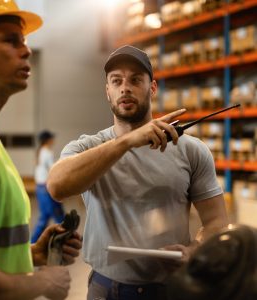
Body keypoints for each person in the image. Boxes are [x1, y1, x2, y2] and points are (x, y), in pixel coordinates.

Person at [47, 45, 229, 300]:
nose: (125, 87)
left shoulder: (191, 151)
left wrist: (194, 250)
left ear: (152, 88)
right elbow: (57, 187)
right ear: (107, 91)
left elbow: (217, 221)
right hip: (104, 289)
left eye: (135, 79)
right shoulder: (86, 148)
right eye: (116, 81)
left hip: (171, 289)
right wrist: (127, 142)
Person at [0, 1, 82, 299]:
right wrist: (43, 283)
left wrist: (35, 254)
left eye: (24, 41)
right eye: (11, 40)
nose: (26, 50)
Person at [31, 130, 65, 243]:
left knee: (49, 216)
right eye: (51, 138)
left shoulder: (41, 151)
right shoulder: (46, 152)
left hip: (41, 188)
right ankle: (65, 239)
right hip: (46, 188)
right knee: (55, 216)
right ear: (47, 140)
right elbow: (52, 170)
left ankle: (33, 242)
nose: (53, 140)